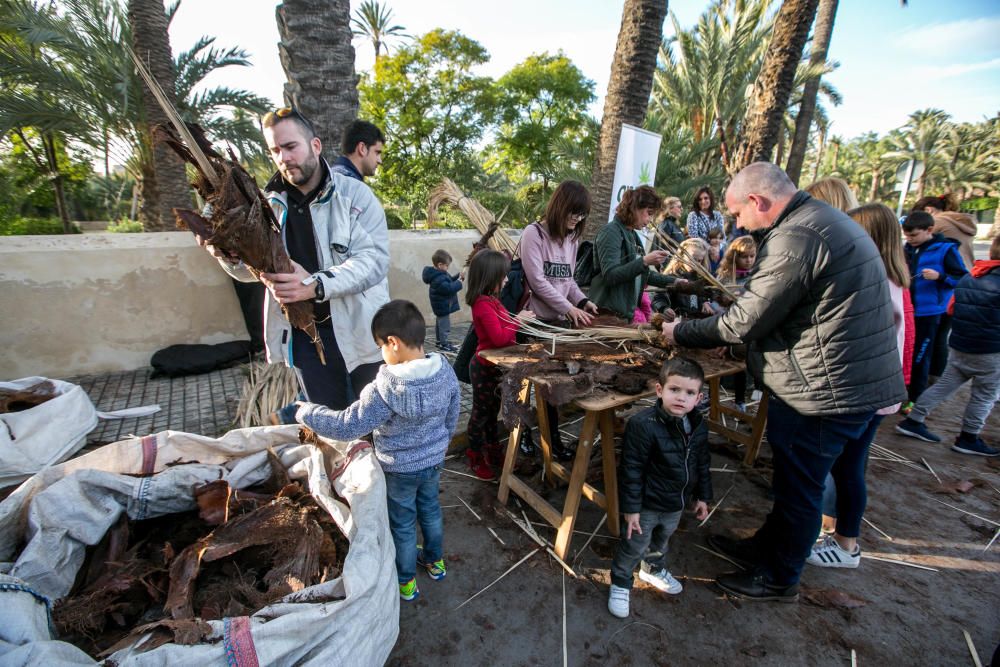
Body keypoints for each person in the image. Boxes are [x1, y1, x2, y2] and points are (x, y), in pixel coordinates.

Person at [660, 162, 905, 602]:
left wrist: (680, 333)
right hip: (843, 382)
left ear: (758, 202)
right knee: (796, 481)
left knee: (800, 488)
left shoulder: (798, 235)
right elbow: (794, 313)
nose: (735, 223)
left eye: (737, 214)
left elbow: (745, 320)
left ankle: (778, 578)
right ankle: (766, 548)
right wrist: (740, 346)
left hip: (826, 391)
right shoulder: (821, 223)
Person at [202, 107, 389, 412]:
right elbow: (250, 273)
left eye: (290, 147)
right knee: (329, 425)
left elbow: (374, 262)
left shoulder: (355, 196)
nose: (283, 157)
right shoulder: (264, 207)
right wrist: (226, 255)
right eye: (275, 150)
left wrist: (314, 285)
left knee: (374, 422)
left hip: (360, 332)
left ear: (315, 146)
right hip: (305, 340)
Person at [295, 300, 461, 601]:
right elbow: (453, 413)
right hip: (433, 462)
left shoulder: (385, 388)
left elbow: (348, 425)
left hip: (398, 470)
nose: (381, 354)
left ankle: (407, 580)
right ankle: (435, 563)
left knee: (402, 522)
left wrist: (307, 413)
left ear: (393, 343)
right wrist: (441, 443)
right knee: (431, 511)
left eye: (380, 347)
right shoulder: (445, 372)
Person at [807, 203, 910, 569]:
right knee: (850, 465)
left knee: (847, 468)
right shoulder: (893, 276)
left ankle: (846, 544)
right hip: (879, 391)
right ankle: (839, 535)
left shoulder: (875, 278)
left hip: (866, 391)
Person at [607, 357, 712, 618]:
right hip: (646, 504)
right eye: (674, 389)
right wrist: (631, 509)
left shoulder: (698, 426)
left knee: (662, 538)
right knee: (634, 543)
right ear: (659, 390)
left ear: (698, 398)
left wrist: (702, 496)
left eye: (689, 393)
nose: (680, 397)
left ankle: (652, 569)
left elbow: (702, 463)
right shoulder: (643, 425)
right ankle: (620, 582)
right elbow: (631, 470)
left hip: (676, 502)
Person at [895, 235, 1000, 457]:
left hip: (961, 345)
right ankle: (969, 437)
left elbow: (952, 308)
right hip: (990, 351)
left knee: (945, 385)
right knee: (984, 395)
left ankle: (913, 420)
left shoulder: (973, 276)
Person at [518, 180, 599, 460]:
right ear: (559, 207)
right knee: (527, 385)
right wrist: (569, 308)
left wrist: (583, 301)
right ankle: (524, 437)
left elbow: (568, 280)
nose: (577, 220)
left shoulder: (571, 238)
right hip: (535, 322)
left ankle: (552, 441)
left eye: (581, 215)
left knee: (552, 386)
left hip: (558, 324)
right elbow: (537, 281)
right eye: (573, 213)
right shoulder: (534, 234)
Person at [466, 250, 534, 480]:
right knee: (480, 414)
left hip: (494, 367)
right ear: (489, 277)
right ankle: (475, 456)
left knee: (492, 412)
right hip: (483, 367)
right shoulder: (482, 305)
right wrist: (519, 320)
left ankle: (494, 453)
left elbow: (504, 328)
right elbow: (498, 338)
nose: (506, 280)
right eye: (502, 276)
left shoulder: (492, 301)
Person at [902, 211, 967, 407]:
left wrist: (940, 277)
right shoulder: (908, 249)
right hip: (908, 310)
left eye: (914, 235)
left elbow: (962, 277)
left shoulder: (946, 250)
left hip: (928, 313)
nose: (910, 240)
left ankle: (914, 399)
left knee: (921, 356)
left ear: (929, 230)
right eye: (907, 236)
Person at [589, 186, 679, 322]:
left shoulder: (632, 235)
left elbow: (644, 275)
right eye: (649, 213)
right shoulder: (611, 232)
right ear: (634, 208)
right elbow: (610, 275)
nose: (649, 220)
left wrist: (677, 282)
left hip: (623, 317)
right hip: (607, 317)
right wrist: (644, 261)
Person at [714, 236, 758, 411]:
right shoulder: (725, 276)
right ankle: (712, 397)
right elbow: (715, 299)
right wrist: (721, 301)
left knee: (741, 364)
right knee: (718, 362)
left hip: (745, 329)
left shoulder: (757, 276)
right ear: (734, 257)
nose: (748, 260)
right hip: (725, 324)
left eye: (752, 256)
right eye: (744, 257)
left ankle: (741, 400)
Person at [913, 194, 977, 271]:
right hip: (968, 270)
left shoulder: (935, 222)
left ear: (928, 210)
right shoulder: (960, 221)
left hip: (950, 272)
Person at [654, 239, 715, 318]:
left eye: (699, 260)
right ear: (682, 255)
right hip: (677, 321)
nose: (695, 263)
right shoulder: (671, 277)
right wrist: (664, 308)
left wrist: (706, 302)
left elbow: (708, 294)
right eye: (692, 258)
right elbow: (658, 298)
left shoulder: (702, 278)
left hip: (696, 323)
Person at [422, 249, 464, 352]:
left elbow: (448, 282)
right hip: (442, 305)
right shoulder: (438, 278)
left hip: (441, 305)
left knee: (440, 324)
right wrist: (459, 283)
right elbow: (448, 289)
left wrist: (458, 277)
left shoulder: (439, 274)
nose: (447, 268)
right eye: (447, 266)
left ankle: (440, 341)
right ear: (440, 265)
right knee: (444, 325)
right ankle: (444, 344)